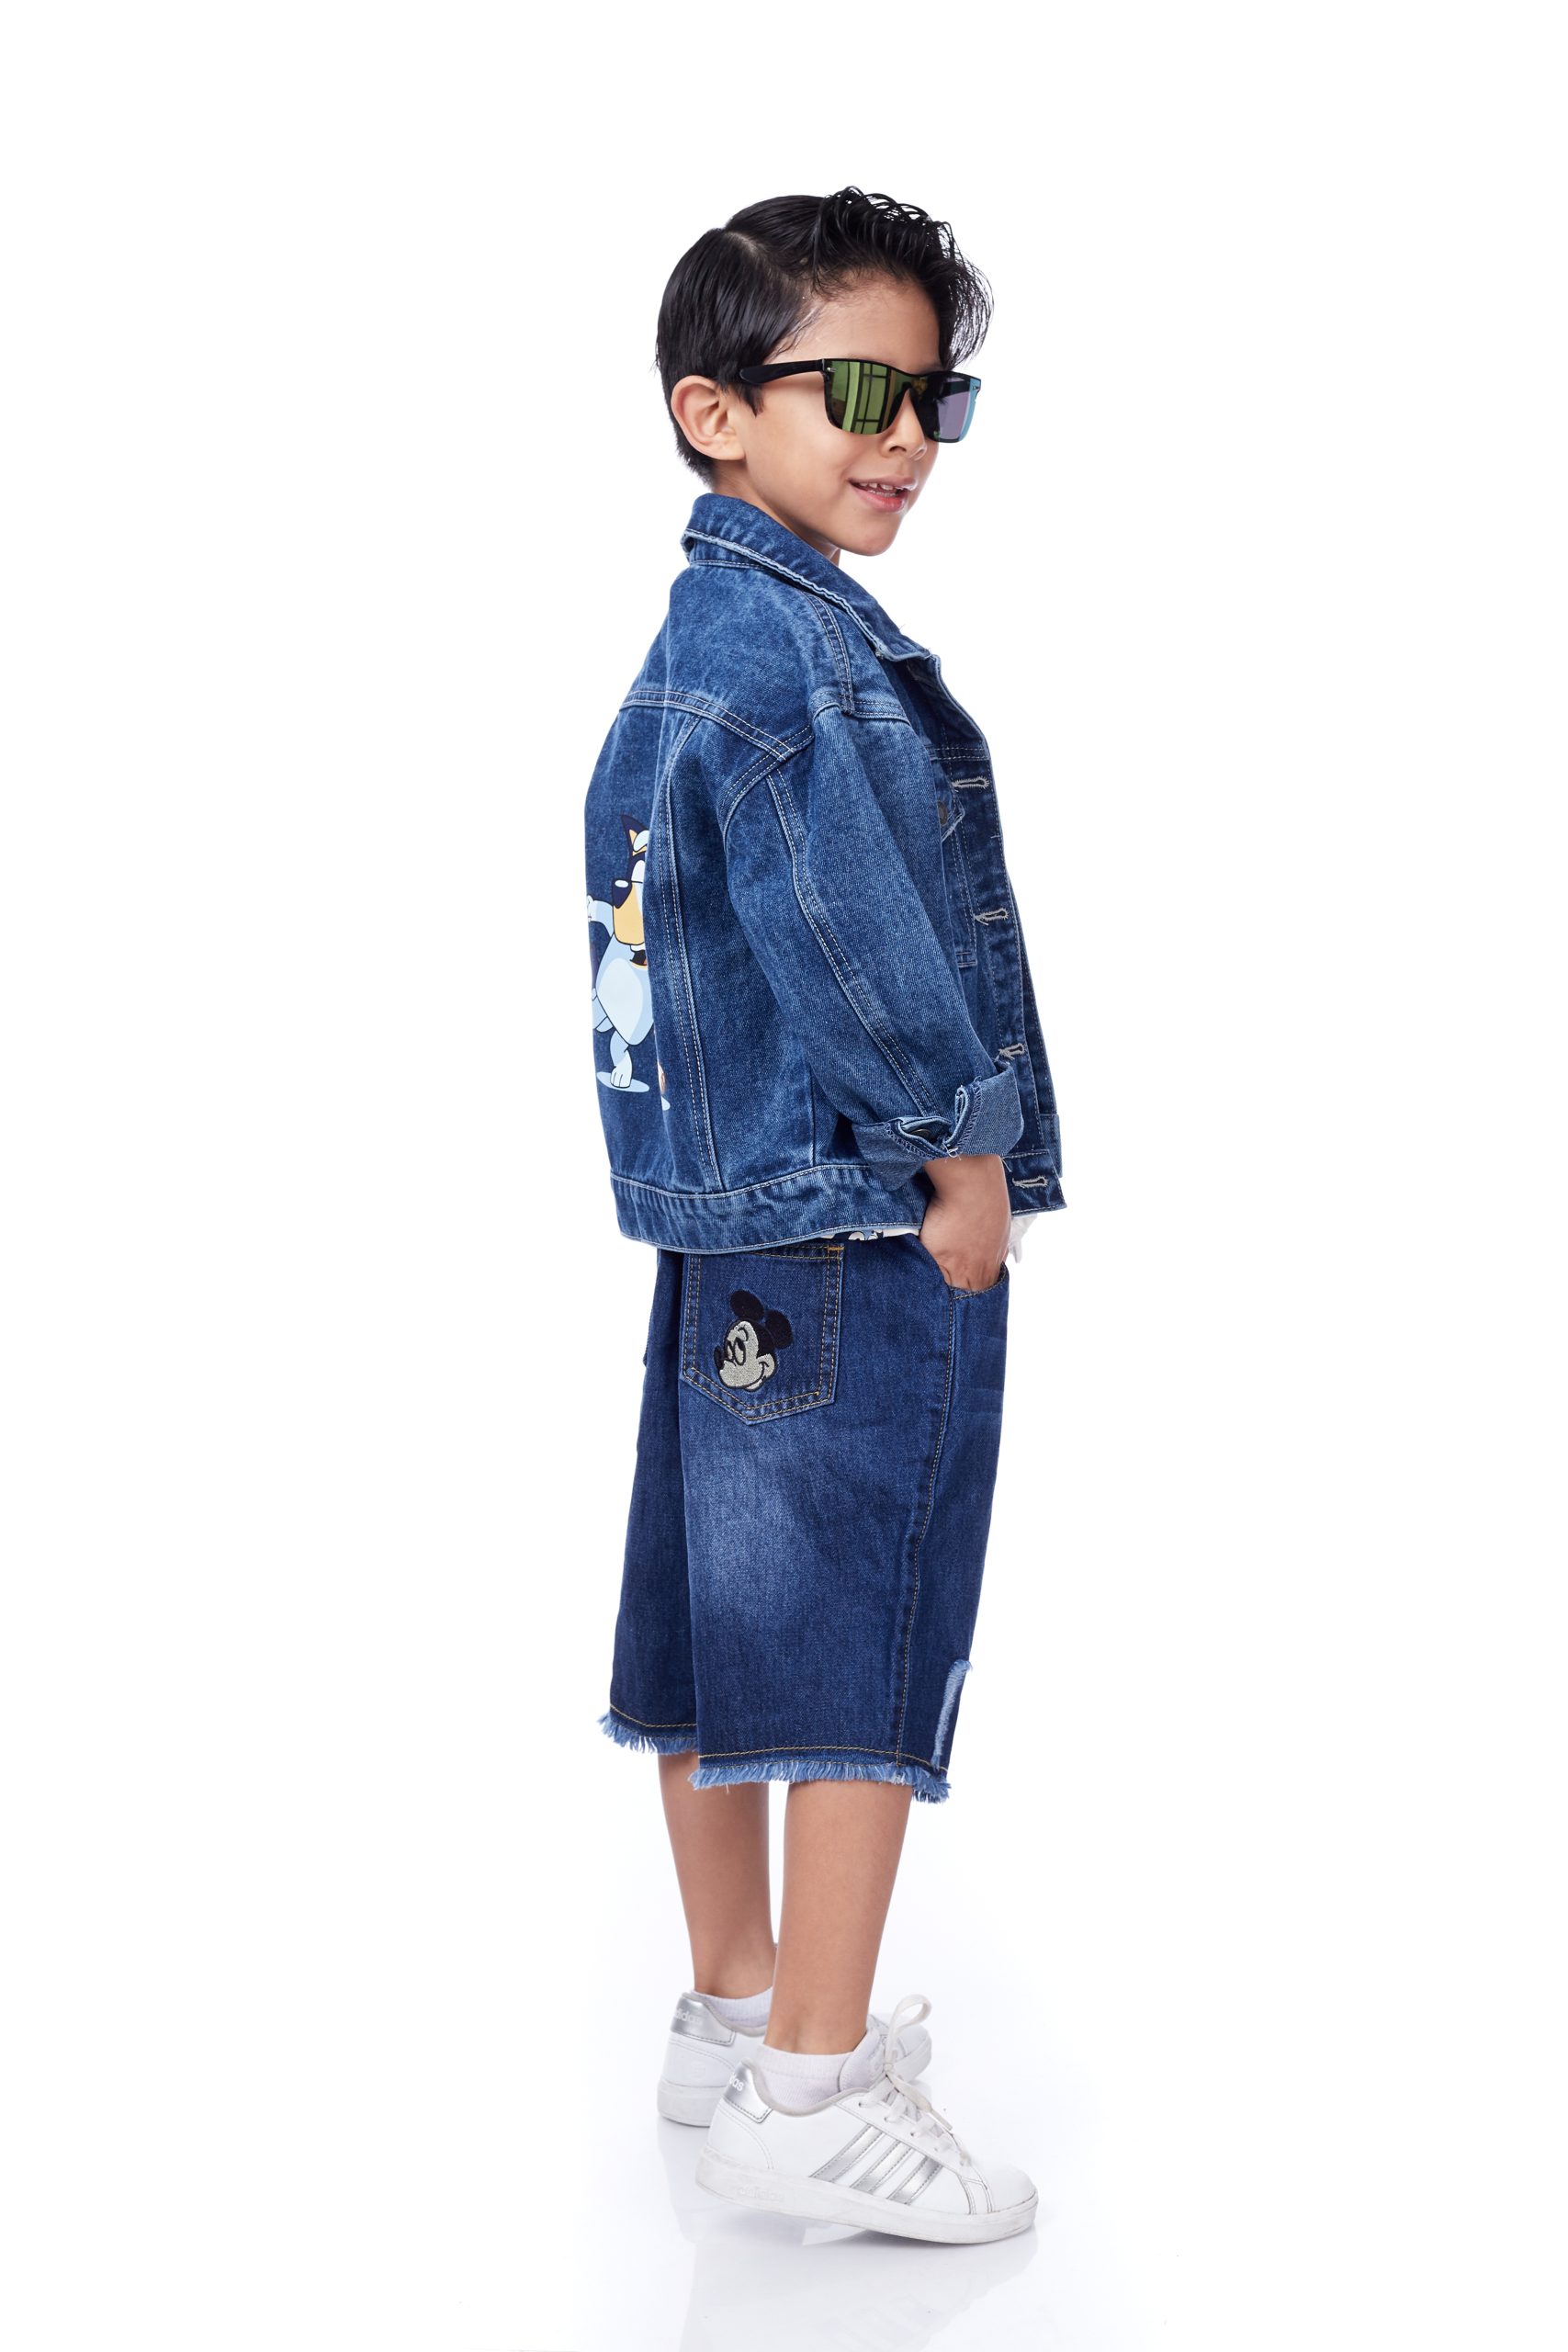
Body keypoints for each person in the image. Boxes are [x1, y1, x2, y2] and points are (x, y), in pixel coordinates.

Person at [581, 186, 1065, 2245]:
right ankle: (809, 2083)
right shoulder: (788, 665)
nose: (907, 438)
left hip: (733, 1217)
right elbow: (847, 941)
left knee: (717, 1615)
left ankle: (733, 2004)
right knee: (863, 1637)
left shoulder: (709, 643)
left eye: (935, 398)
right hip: (857, 1220)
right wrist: (959, 1155)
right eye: (857, 391)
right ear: (713, 411)